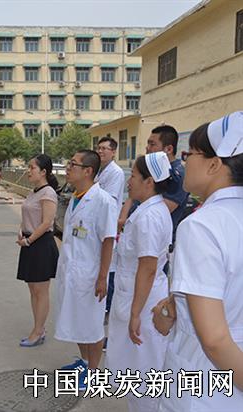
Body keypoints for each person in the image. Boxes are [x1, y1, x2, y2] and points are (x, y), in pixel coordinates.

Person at [152, 112, 243, 411]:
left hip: (209, 384)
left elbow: (215, 339)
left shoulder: (202, 225)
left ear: (214, 164)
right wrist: (172, 305)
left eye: (189, 154)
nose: (184, 162)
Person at [105, 152, 172, 412]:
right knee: (134, 365)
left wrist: (135, 314)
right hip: (137, 295)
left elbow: (148, 267)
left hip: (142, 301)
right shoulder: (148, 210)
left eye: (133, 175)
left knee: (143, 368)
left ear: (149, 181)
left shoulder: (149, 217)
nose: (129, 181)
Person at [54, 150, 116, 388]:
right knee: (77, 321)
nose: (68, 168)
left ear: (88, 171)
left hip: (90, 275)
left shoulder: (103, 201)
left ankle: (94, 373)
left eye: (73, 164)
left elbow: (108, 240)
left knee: (92, 325)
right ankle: (83, 362)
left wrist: (102, 277)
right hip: (72, 271)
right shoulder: (76, 197)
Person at [16, 154, 59, 347]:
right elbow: (27, 216)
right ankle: (38, 328)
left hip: (40, 245)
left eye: (32, 167)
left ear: (43, 172)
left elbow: (47, 222)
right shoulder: (33, 192)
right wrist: (21, 231)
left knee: (41, 291)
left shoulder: (48, 193)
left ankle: (38, 331)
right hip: (29, 243)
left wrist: (29, 240)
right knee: (33, 289)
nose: (28, 171)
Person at [118, 126, 189, 241]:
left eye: (152, 144)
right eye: (148, 143)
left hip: (152, 236)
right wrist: (122, 220)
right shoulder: (152, 167)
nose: (147, 148)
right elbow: (132, 195)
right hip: (134, 231)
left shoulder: (177, 175)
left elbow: (161, 211)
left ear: (169, 149)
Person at [95, 136, 126, 316]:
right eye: (99, 148)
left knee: (109, 268)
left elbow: (109, 200)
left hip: (108, 223)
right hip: (99, 223)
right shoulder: (100, 170)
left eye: (104, 148)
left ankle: (107, 307)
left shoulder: (116, 172)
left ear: (113, 152)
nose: (100, 151)